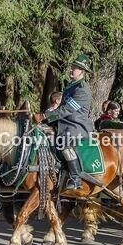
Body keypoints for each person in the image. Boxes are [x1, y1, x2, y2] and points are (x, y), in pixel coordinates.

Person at [33, 54, 96, 191]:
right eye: (72, 67)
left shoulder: (82, 89)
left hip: (77, 125)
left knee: (64, 142)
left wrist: (44, 115)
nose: (71, 69)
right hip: (65, 122)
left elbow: (67, 109)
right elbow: (61, 109)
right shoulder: (70, 87)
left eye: (75, 68)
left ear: (82, 71)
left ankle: (75, 177)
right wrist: (46, 121)